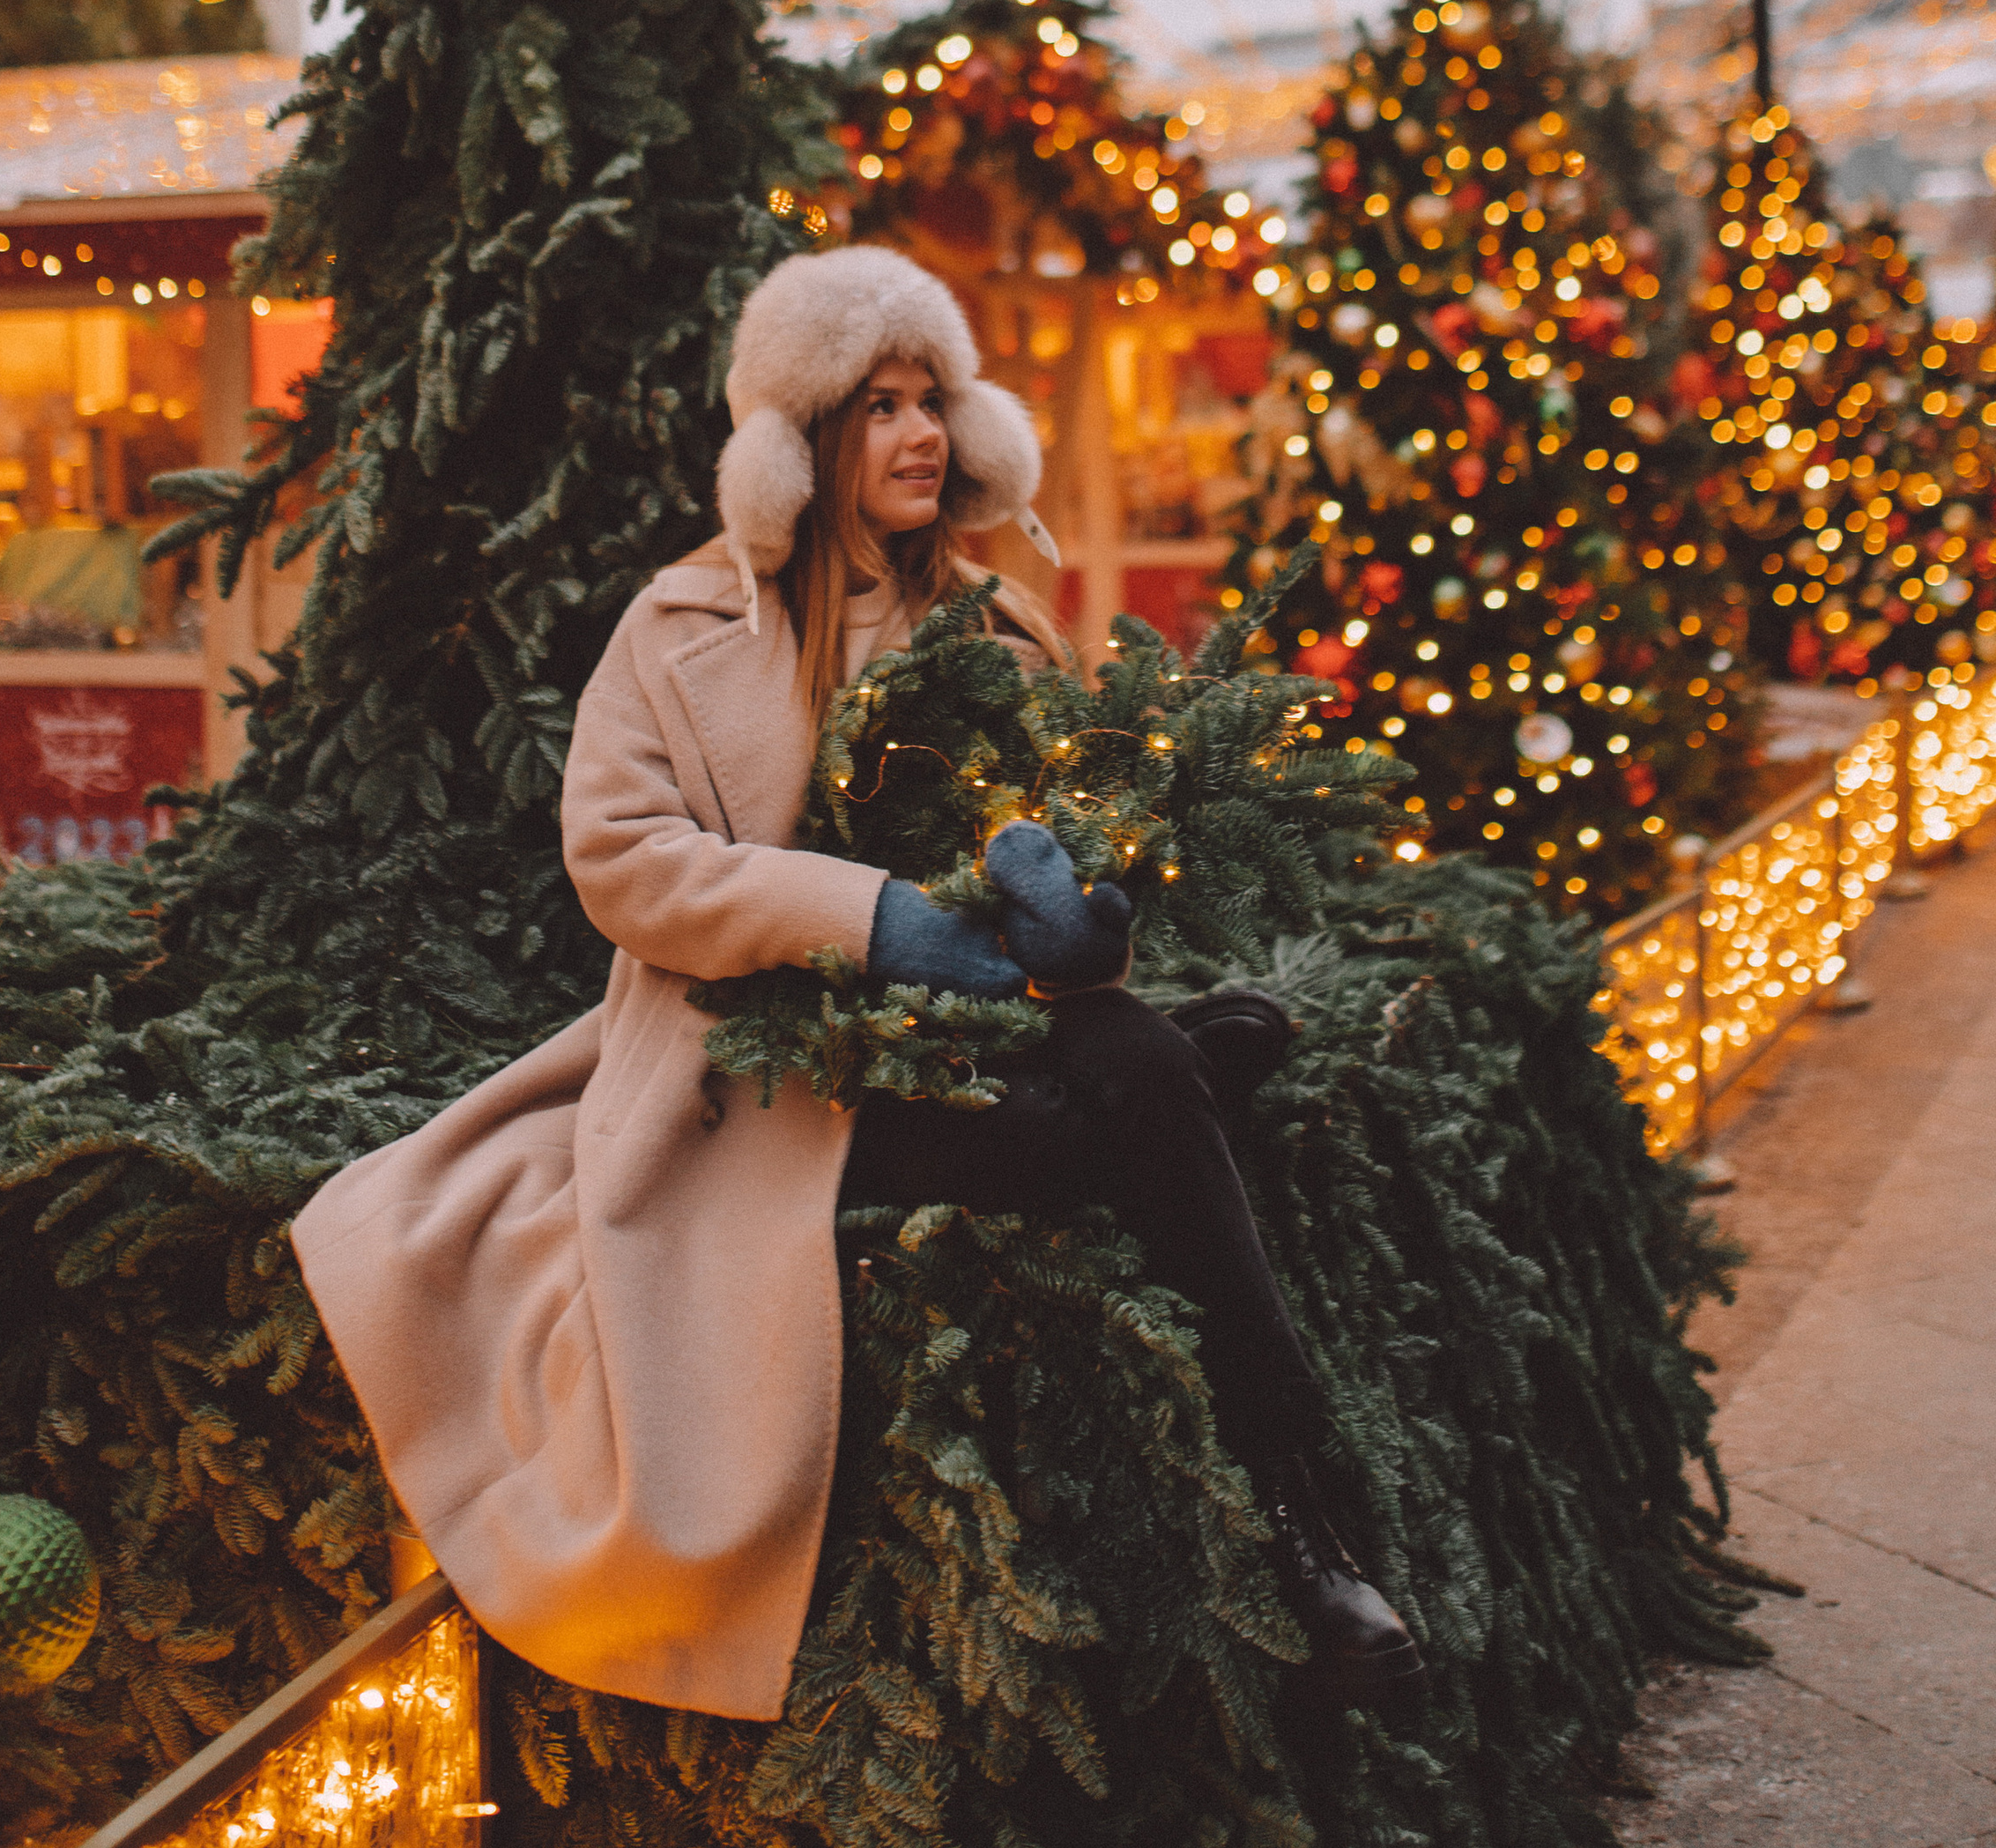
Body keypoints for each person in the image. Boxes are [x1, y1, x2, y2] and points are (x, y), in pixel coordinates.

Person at [293, 243, 1417, 1728]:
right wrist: (879, 921)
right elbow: (623, 860)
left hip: (1000, 1035)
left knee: (1132, 1057)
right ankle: (1189, 1082)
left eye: (932, 398)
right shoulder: (685, 625)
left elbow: (1085, 842)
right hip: (769, 1077)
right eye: (877, 404)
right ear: (804, 440)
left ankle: (1311, 1529)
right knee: (1123, 1112)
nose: (919, 433)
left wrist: (1089, 934)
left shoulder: (1003, 623)